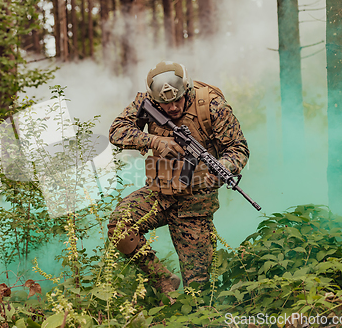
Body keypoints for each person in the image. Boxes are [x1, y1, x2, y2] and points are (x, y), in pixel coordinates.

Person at [107, 61, 250, 296]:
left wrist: (223, 166)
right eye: (165, 104)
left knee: (199, 290)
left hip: (195, 202)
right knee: (120, 226)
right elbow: (117, 131)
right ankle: (163, 280)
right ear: (154, 101)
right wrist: (154, 141)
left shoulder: (212, 106)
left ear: (187, 90)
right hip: (160, 192)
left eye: (177, 100)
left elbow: (239, 148)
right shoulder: (146, 101)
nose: (172, 108)